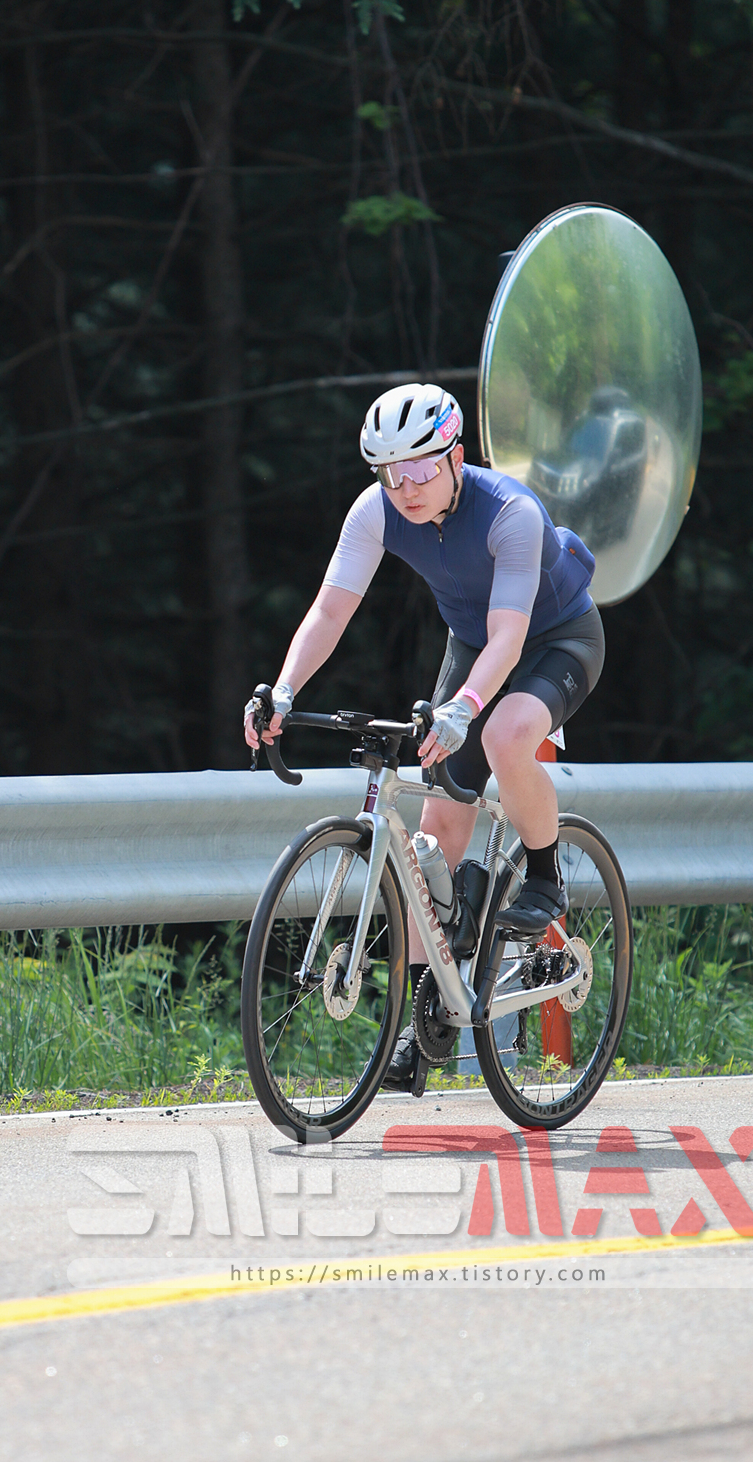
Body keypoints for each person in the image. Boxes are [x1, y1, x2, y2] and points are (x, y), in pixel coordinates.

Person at [243, 382, 606, 1087]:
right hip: (473, 644)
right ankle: (425, 1019)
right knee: (431, 838)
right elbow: (330, 611)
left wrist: (464, 707)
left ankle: (544, 874)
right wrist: (283, 691)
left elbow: (510, 637)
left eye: (419, 468)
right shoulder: (375, 510)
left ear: (456, 459)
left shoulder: (511, 513)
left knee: (505, 736)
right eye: (389, 471)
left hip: (556, 639)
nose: (404, 487)